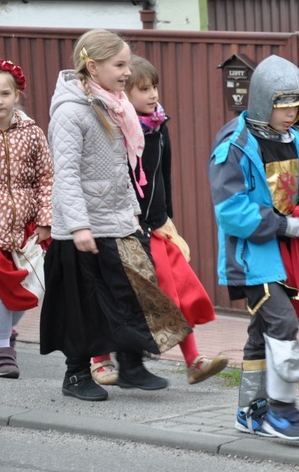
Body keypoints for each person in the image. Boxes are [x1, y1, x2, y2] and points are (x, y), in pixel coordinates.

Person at [41, 29, 191, 402]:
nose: (127, 72)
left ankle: (131, 366)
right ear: (93, 67)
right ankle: (76, 375)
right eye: (119, 64)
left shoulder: (114, 104)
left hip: (120, 219)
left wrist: (136, 215)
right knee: (85, 303)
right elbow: (67, 175)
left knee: (135, 289)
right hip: (83, 228)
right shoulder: (70, 112)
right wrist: (79, 227)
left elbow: (123, 168)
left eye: (127, 64)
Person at [209, 54, 299, 441]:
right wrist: (284, 224)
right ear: (264, 101)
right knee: (282, 323)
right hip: (254, 258)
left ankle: (250, 412)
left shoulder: (294, 140)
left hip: (291, 255)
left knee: (259, 331)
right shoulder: (234, 145)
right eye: (285, 106)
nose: (292, 115)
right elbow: (232, 212)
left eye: (298, 107)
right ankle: (282, 413)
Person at [89, 54, 228, 387]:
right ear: (124, 94)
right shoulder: (117, 127)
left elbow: (162, 175)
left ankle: (193, 360)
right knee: (118, 295)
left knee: (177, 288)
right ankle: (100, 359)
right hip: (124, 226)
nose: (152, 95)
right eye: (143, 89)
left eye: (154, 87)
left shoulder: (159, 125)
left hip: (155, 224)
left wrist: (168, 218)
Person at [0, 56, 53, 378]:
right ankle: (3, 351)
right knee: (5, 288)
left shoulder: (32, 132)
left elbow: (46, 177)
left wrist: (46, 219)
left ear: (17, 94)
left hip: (26, 226)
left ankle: (3, 333)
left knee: (34, 287)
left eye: (4, 93)